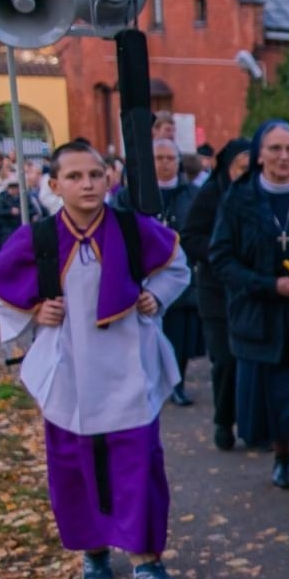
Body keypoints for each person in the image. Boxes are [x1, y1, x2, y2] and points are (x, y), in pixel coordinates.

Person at [0, 139, 191, 579]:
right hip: (69, 370)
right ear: (54, 184)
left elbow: (176, 268)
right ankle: (92, 551)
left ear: (109, 178)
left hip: (128, 368)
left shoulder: (133, 230)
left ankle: (146, 565)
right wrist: (35, 311)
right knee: (75, 466)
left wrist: (156, 297)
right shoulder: (39, 238)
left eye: (95, 174)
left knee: (138, 464)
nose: (88, 184)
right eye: (74, 177)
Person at [210, 119, 289, 492]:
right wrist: (269, 285)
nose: (284, 156)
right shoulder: (238, 197)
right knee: (275, 392)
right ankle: (282, 458)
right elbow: (222, 257)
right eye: (275, 149)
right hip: (261, 313)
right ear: (259, 154)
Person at [119, 138, 202, 407]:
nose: (165, 164)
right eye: (159, 158)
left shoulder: (192, 195)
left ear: (178, 163)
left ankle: (177, 383)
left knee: (180, 334)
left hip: (181, 275)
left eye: (170, 158)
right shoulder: (131, 195)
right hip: (143, 276)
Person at [180, 138, 250, 450]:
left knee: (251, 362)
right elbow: (191, 237)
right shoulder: (211, 194)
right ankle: (224, 420)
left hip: (251, 290)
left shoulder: (256, 195)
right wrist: (221, 253)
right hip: (216, 291)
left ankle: (251, 423)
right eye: (241, 168)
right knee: (224, 360)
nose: (247, 174)